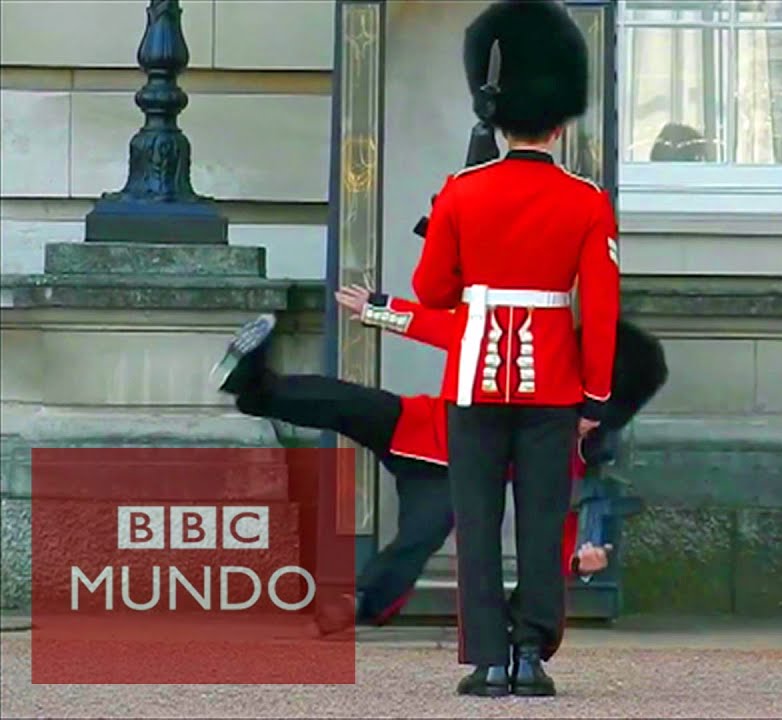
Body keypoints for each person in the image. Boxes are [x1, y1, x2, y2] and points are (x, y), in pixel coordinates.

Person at [209, 286, 661, 639]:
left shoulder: (576, 452)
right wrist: (379, 310)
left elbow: (560, 520)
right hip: (416, 423)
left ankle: (360, 603)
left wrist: (579, 562)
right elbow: (453, 331)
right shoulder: (531, 365)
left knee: (421, 534)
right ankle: (253, 386)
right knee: (342, 401)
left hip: (452, 476)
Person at [412, 0, 620, 697]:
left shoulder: (462, 191)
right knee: (540, 522)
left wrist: (448, 227)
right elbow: (601, 309)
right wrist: (595, 396)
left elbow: (430, 290)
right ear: (559, 122)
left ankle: (489, 661)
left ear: (497, 120)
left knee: (477, 523)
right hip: (554, 383)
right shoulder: (586, 200)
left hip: (473, 379)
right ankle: (531, 654)